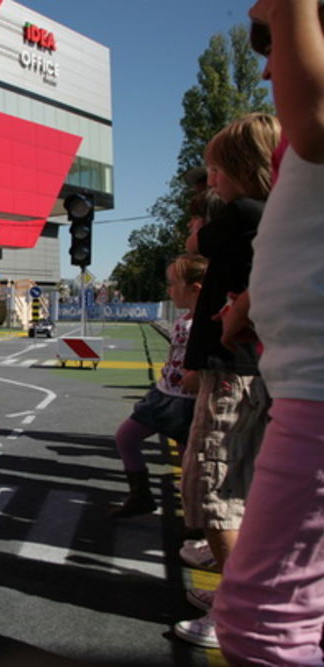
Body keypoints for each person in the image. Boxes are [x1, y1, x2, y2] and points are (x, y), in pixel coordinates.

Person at [213, 1, 324, 662]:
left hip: (316, 389)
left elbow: (310, 122)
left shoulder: (309, 125)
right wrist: (249, 304)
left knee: (261, 620)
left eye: (271, 30)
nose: (264, 59)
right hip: (303, 379)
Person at [173, 112, 280, 649]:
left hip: (232, 373)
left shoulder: (242, 213)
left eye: (216, 169)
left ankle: (241, 612)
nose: (209, 181)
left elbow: (202, 239)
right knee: (236, 487)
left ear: (237, 167)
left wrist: (210, 214)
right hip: (246, 371)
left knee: (215, 490)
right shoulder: (272, 216)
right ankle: (242, 595)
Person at [109, 254, 206, 518]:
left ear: (195, 289)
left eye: (173, 284)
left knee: (190, 462)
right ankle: (140, 495)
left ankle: (194, 517)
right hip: (164, 395)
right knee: (125, 437)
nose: (169, 289)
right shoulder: (183, 320)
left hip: (188, 402)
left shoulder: (209, 323)